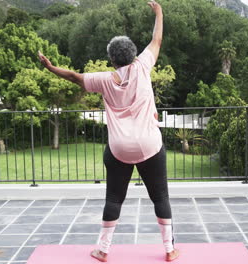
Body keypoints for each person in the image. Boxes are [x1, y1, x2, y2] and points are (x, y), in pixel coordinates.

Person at [38, 1, 179, 262]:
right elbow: (157, 39)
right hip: (150, 144)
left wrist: (50, 67)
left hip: (119, 148)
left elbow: (73, 77)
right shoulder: (143, 66)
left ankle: (103, 250)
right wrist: (159, 12)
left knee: (114, 198)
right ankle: (169, 249)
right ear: (134, 54)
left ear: (112, 59)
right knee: (160, 196)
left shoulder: (102, 79)